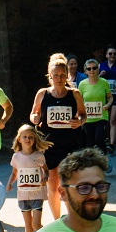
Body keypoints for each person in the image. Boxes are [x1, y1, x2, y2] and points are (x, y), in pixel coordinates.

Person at [30, 53, 86, 221]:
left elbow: (83, 115)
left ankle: (72, 217)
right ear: (50, 76)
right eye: (56, 75)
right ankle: (57, 220)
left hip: (69, 144)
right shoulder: (42, 94)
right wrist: (35, 118)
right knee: (53, 185)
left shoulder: (74, 94)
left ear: (67, 75)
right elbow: (34, 113)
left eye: (63, 75)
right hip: (49, 145)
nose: (59, 78)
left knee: (68, 184)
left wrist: (80, 122)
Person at [6, 124, 53, 232]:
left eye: (31, 137)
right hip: (23, 195)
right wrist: (9, 182)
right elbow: (14, 173)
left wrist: (45, 178)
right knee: (28, 226)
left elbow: (46, 170)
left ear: (34, 139)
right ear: (19, 139)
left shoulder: (39, 155)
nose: (28, 139)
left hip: (37, 193)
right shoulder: (16, 157)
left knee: (36, 225)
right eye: (25, 137)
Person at [78, 60, 112, 172]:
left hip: (102, 116)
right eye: (89, 69)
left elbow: (110, 97)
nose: (92, 70)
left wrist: (107, 104)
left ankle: (105, 159)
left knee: (99, 138)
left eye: (94, 68)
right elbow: (79, 101)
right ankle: (92, 166)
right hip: (88, 118)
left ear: (98, 69)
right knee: (90, 143)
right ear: (86, 71)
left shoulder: (104, 82)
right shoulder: (82, 84)